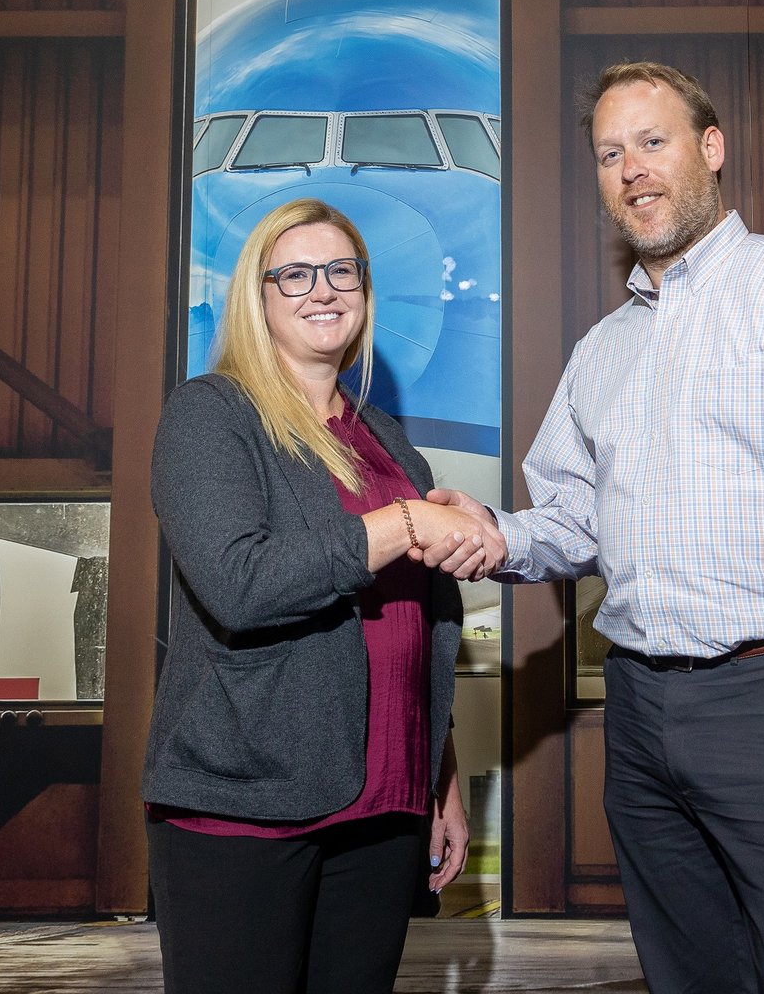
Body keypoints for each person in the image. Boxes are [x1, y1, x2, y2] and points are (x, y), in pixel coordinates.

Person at [430, 62, 764, 994]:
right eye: (610, 153)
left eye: (653, 140)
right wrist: (499, 534)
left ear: (710, 151)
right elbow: (576, 520)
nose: (632, 168)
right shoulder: (604, 351)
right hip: (640, 717)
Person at [142, 198, 503, 994]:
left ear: (366, 291)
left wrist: (437, 774)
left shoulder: (386, 439)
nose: (323, 289)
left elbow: (418, 617)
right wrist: (400, 521)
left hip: (383, 803)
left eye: (342, 271)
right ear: (258, 296)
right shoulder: (211, 416)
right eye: (295, 274)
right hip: (249, 801)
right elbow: (242, 585)